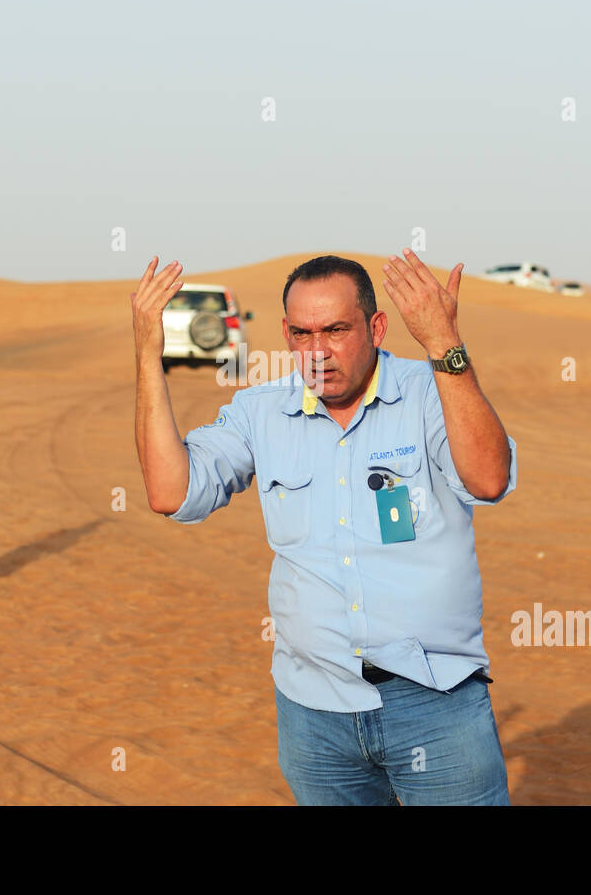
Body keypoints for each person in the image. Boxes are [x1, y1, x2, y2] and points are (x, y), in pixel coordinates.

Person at [131, 252, 518, 805]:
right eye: (303, 333)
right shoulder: (259, 413)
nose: (318, 351)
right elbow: (171, 493)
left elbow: (488, 478)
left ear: (376, 327)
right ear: (286, 334)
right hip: (315, 713)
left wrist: (444, 347)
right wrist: (148, 351)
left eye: (336, 330)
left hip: (436, 703)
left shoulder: (433, 393)